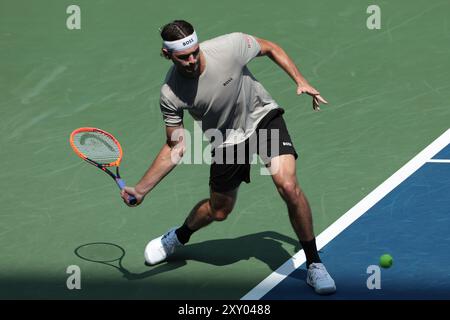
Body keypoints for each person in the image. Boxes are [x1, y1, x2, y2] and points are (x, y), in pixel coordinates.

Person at [121, 20, 336, 295]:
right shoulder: (171, 94)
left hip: (261, 118)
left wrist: (300, 79)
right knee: (219, 211)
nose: (192, 60)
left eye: (195, 52)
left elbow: (270, 48)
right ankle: (179, 236)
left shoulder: (230, 46)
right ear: (167, 55)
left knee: (288, 186)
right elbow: (176, 147)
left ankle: (314, 264)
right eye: (183, 57)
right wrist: (141, 190)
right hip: (226, 141)